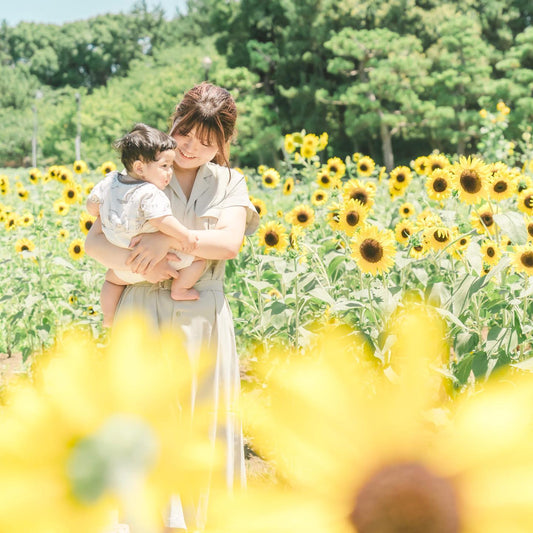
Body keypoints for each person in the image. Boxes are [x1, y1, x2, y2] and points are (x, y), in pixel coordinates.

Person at [85, 82, 259, 532]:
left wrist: (170, 237)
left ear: (223, 143)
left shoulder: (229, 182)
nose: (190, 148)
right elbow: (94, 240)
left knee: (208, 431)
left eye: (207, 142)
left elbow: (230, 242)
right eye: (185, 134)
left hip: (202, 316)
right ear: (173, 123)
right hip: (141, 307)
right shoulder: (136, 172)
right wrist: (142, 266)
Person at [87, 123, 205, 327]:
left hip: (121, 260)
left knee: (111, 281)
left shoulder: (109, 182)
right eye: (165, 166)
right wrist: (184, 235)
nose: (169, 173)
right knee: (199, 259)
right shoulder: (149, 192)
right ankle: (180, 289)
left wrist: (101, 212)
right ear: (140, 167)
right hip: (153, 258)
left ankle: (108, 318)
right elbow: (162, 220)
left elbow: (91, 205)